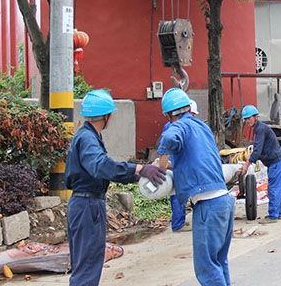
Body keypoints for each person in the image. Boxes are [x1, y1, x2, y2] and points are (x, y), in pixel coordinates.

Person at [65, 90, 165, 286]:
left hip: (85, 203)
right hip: (87, 206)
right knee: (87, 267)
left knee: (87, 264)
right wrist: (140, 168)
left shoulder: (88, 136)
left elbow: (102, 170)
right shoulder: (87, 139)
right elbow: (101, 166)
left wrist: (136, 177)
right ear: (105, 116)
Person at [157, 88, 235, 286]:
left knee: (206, 268)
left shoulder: (179, 126)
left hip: (207, 205)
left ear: (169, 115)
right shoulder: (202, 127)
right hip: (225, 201)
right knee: (218, 262)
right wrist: (171, 164)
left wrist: (160, 166)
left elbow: (168, 139)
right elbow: (196, 159)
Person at [239, 105, 281, 224]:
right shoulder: (259, 128)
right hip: (276, 161)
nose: (247, 121)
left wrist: (247, 164)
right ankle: (278, 213)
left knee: (273, 189)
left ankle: (273, 215)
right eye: (245, 119)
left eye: (249, 118)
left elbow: (257, 150)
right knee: (277, 188)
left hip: (275, 162)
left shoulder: (260, 129)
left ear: (255, 117)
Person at [167, 99, 199, 232]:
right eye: (193, 114)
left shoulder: (178, 125)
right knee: (178, 195)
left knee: (184, 193)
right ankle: (178, 224)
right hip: (177, 165)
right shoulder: (176, 127)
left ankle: (180, 222)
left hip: (180, 164)